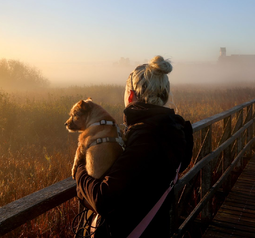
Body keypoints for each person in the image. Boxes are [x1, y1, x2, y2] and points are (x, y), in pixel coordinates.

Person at [74, 55, 194, 237]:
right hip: (156, 227)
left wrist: (79, 170)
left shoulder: (146, 138)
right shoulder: (176, 131)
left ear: (130, 95)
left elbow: (103, 199)